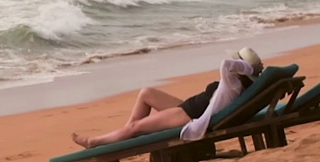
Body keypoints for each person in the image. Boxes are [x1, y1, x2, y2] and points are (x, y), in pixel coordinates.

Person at [71, 47, 264, 149]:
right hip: (187, 107)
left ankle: (95, 141)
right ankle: (124, 135)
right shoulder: (238, 85)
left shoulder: (233, 84)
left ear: (241, 70)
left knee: (135, 127)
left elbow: (225, 64)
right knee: (146, 93)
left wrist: (248, 68)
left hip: (189, 116)